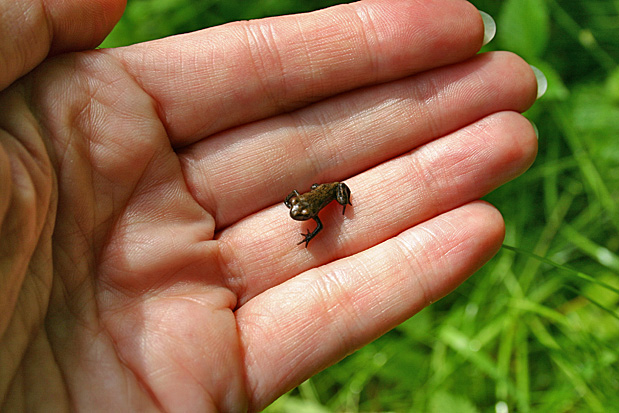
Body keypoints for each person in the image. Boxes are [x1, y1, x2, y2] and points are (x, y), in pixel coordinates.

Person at [0, 0, 542, 411]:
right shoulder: (302, 207)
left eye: (302, 218)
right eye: (300, 217)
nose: (301, 220)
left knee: (341, 203)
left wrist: (334, 211)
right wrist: (299, 210)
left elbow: (323, 202)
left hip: (332, 191)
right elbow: (296, 202)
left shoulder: (321, 205)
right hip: (316, 189)